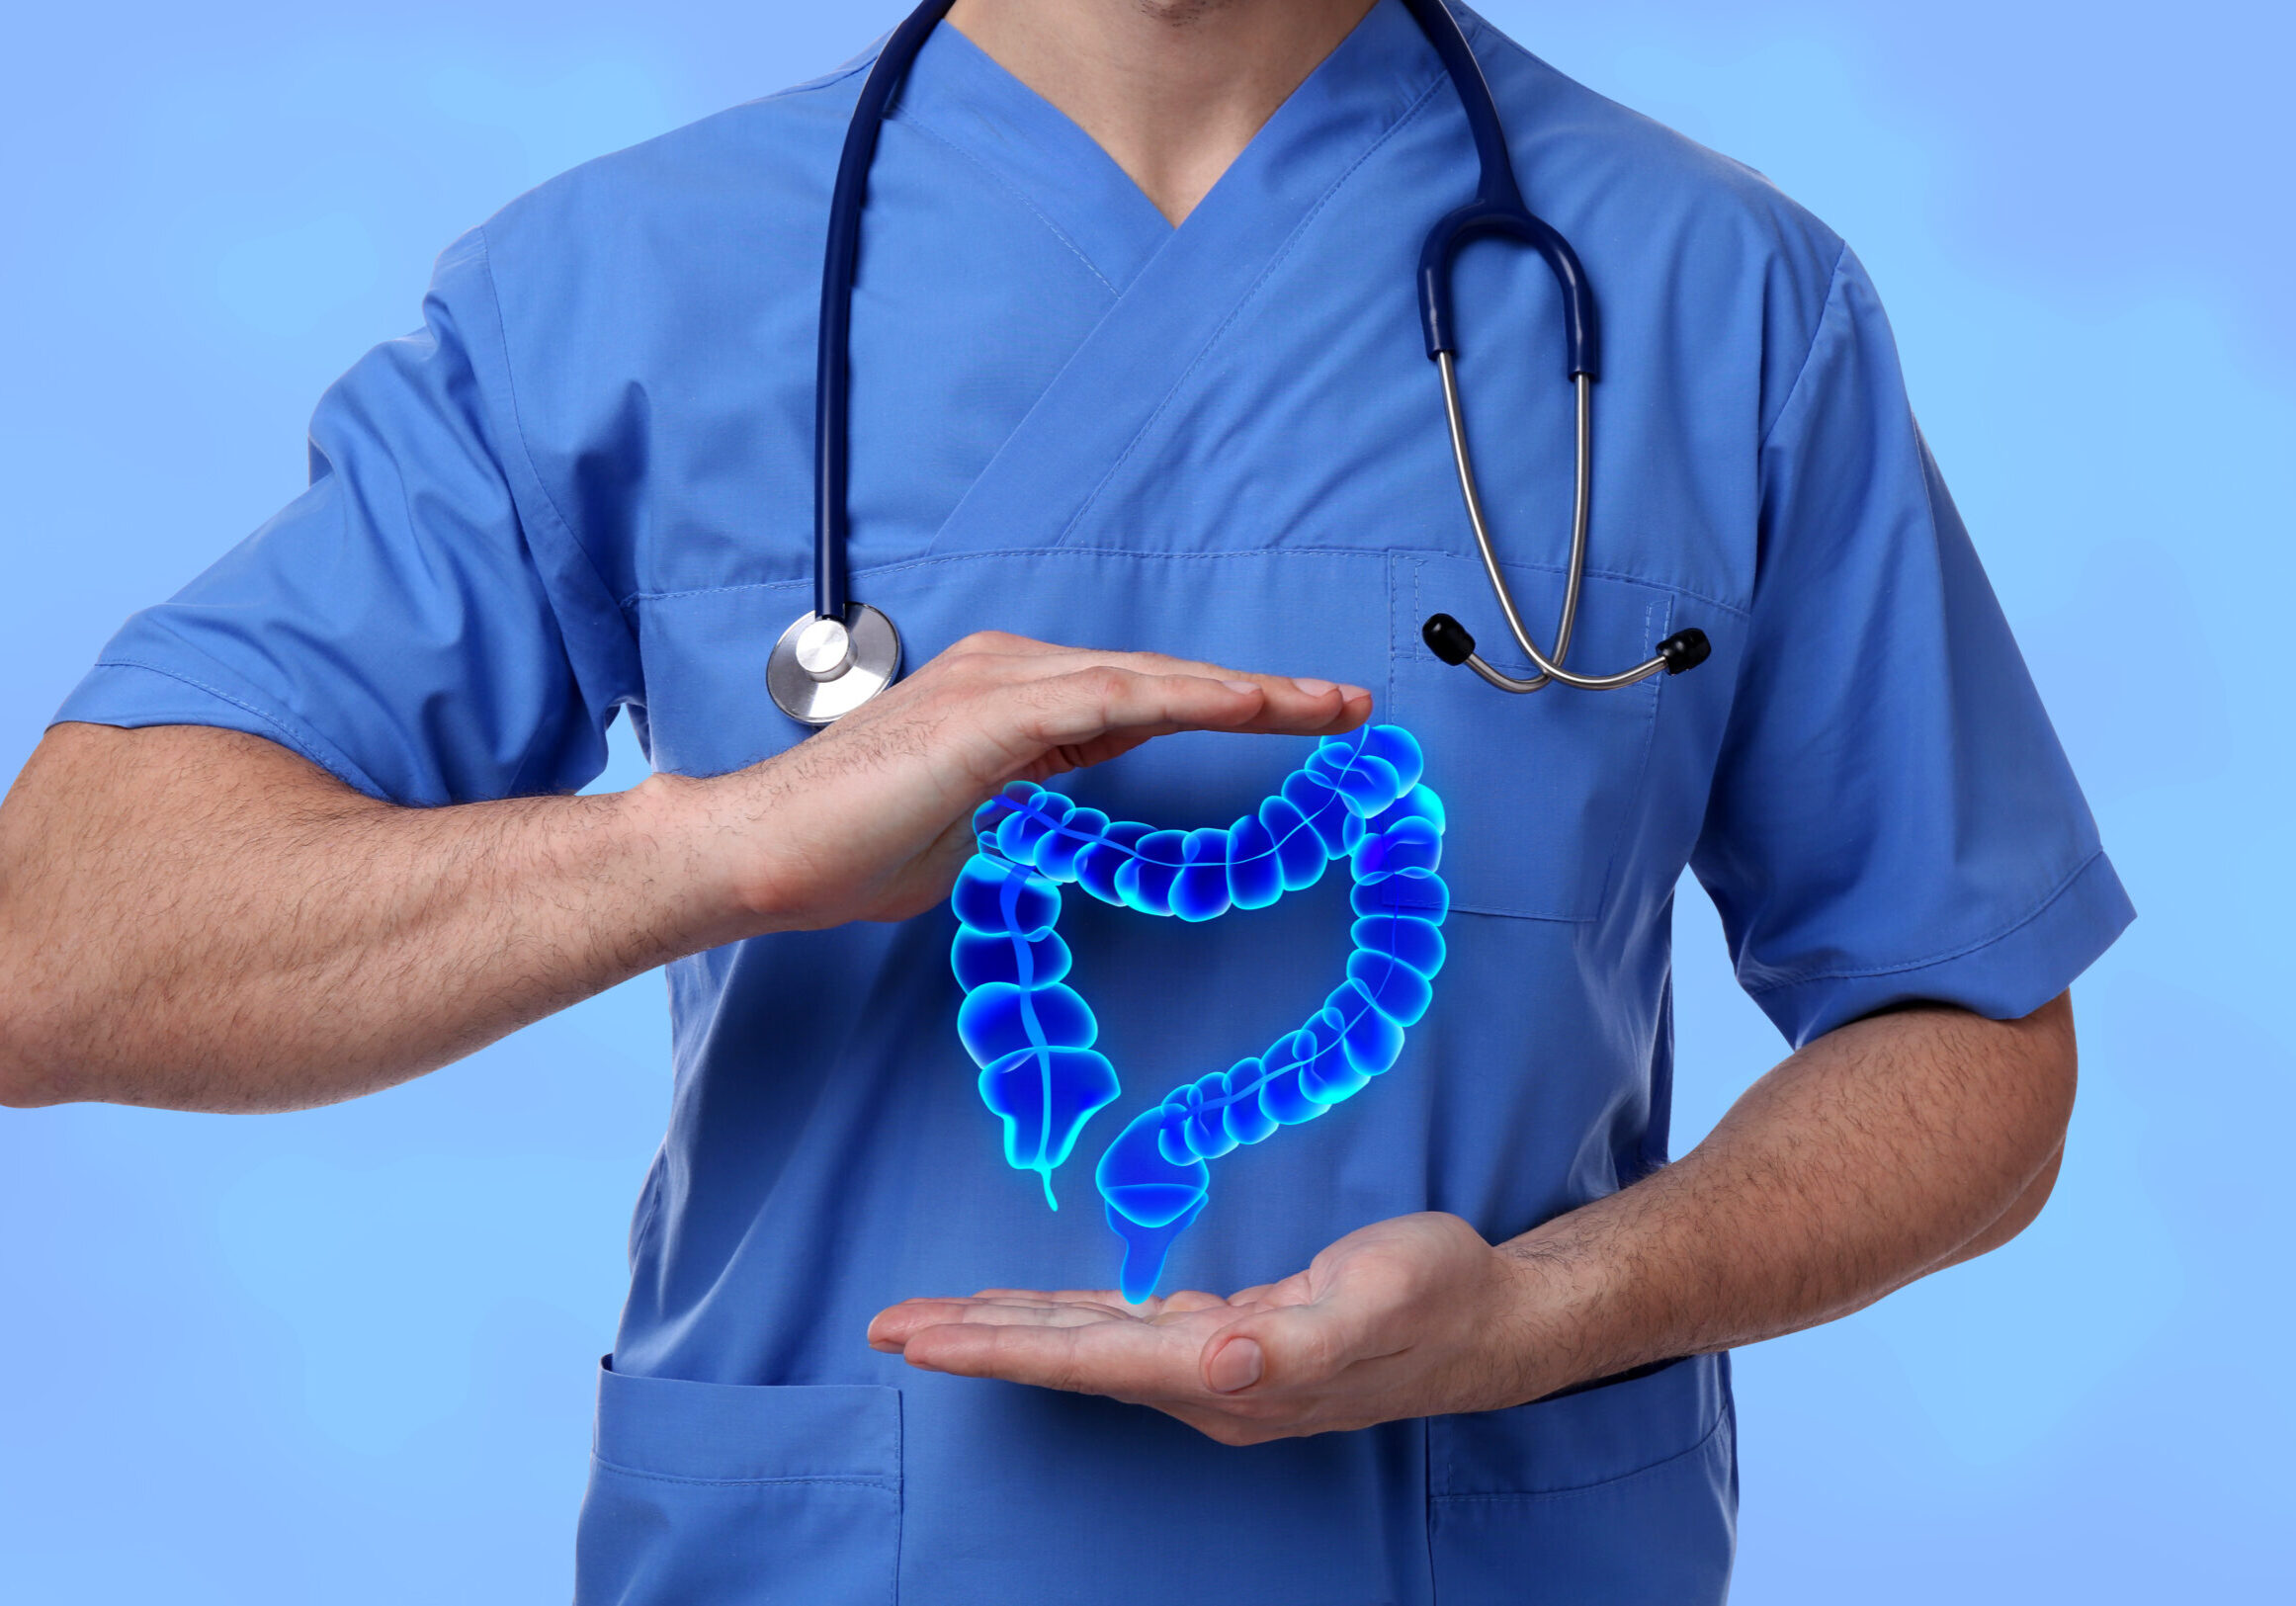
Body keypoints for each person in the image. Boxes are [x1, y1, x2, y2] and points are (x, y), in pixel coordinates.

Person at [0, 0, 2131, 1600]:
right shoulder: (618, 292)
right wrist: (725, 841)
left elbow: (1967, 1039)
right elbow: (58, 945)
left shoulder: (1715, 300)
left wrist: (1539, 1319)